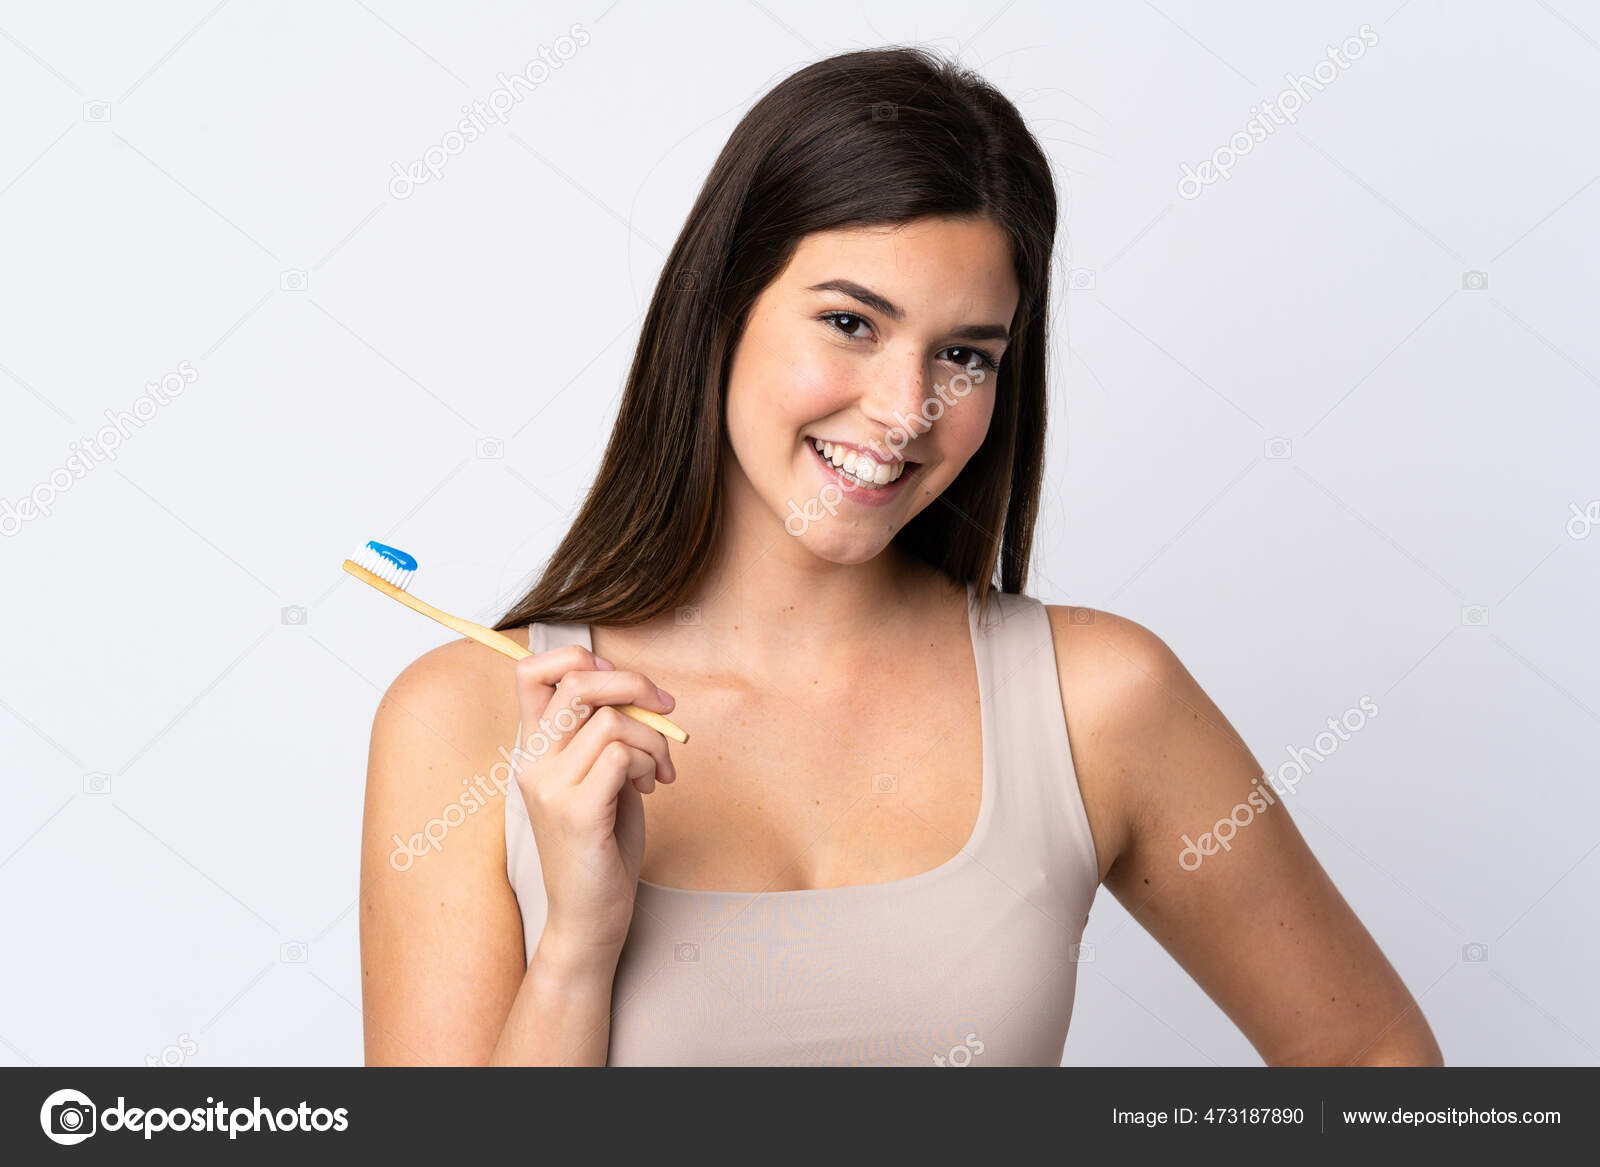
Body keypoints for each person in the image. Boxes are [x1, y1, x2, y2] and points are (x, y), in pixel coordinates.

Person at [359, 45, 1442, 1067]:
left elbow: (1374, 1062)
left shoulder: (1098, 702)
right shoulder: (464, 723)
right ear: (721, 309)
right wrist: (578, 952)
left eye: (965, 356)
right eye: (850, 323)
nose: (905, 409)